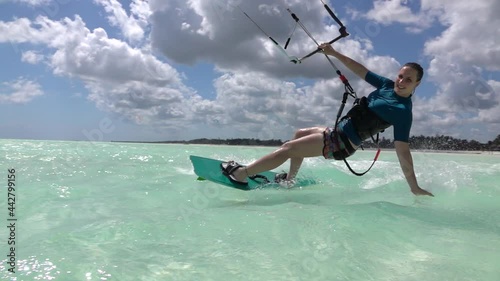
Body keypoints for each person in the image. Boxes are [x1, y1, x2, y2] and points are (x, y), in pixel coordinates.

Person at [221, 43, 434, 196]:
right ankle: (289, 181)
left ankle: (242, 173)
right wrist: (334, 53)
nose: (402, 81)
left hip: (342, 142)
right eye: (400, 76)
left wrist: (413, 187)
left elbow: (403, 151)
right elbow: (361, 70)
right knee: (298, 134)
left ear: (417, 83)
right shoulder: (387, 86)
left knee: (288, 148)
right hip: (336, 132)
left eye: (408, 79)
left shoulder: (403, 111)